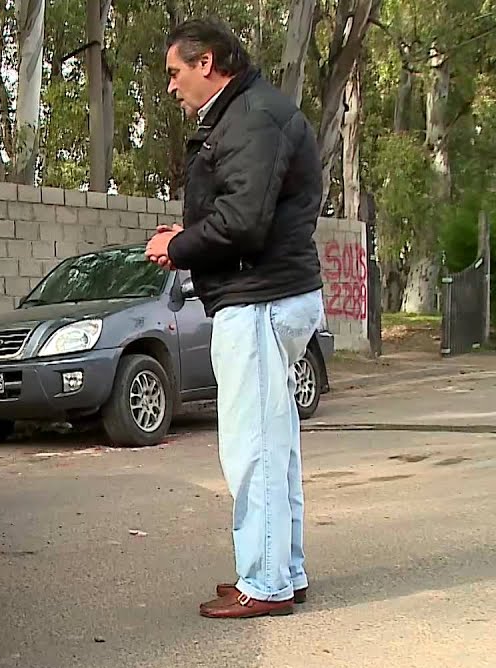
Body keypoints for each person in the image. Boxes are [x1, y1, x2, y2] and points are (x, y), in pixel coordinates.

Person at [144, 18, 327, 619]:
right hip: (269, 294)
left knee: (254, 449)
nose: (171, 87)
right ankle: (281, 571)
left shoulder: (250, 116)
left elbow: (243, 221)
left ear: (208, 64)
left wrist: (181, 244)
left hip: (259, 299)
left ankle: (266, 582)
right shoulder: (248, 112)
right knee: (275, 445)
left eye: (175, 72)